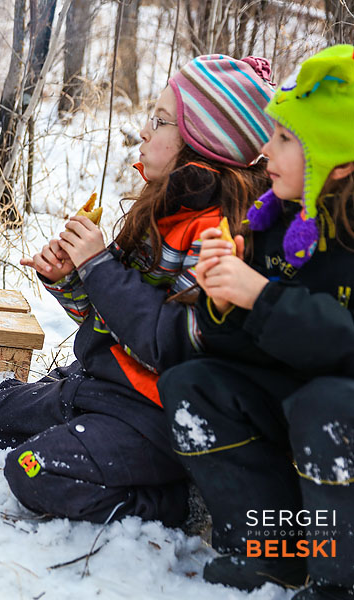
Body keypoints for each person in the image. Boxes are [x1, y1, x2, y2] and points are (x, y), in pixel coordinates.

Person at [0, 55, 275, 527]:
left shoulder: (218, 235)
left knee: (31, 471)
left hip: (153, 411)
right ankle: (76, 420)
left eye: (159, 122)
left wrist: (98, 265)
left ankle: (178, 503)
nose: (144, 132)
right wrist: (71, 279)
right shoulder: (163, 210)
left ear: (202, 140)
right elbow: (110, 316)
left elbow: (166, 345)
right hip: (101, 384)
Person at [160, 45, 354, 599]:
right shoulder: (273, 220)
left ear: (336, 158)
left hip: (337, 408)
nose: (266, 149)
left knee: (327, 405)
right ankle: (278, 553)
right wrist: (223, 295)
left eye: (285, 138)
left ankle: (340, 579)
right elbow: (235, 347)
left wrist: (262, 297)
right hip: (297, 397)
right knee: (194, 385)